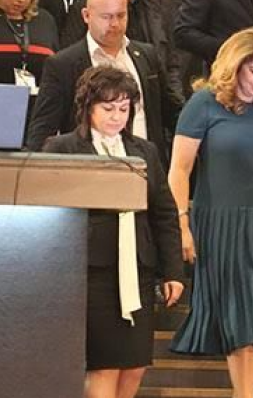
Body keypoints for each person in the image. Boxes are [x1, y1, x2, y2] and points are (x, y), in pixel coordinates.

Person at [168, 27, 253, 398]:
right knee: (245, 319)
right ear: (234, 66)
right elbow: (179, 168)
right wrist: (181, 223)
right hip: (223, 224)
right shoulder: (204, 103)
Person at [42, 65, 184, 398]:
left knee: (135, 365)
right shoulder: (63, 148)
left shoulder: (145, 150)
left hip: (138, 269)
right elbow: (49, 212)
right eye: (108, 108)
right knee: (104, 365)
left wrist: (173, 271)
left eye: (123, 109)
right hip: (92, 272)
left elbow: (164, 214)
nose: (117, 117)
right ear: (87, 107)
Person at [26, 0, 182, 167]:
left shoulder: (147, 56)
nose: (115, 24)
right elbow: (42, 130)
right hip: (86, 171)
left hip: (146, 168)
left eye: (121, 15)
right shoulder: (63, 65)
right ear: (86, 15)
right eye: (106, 17)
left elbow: (171, 112)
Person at [100, 0, 181, 99]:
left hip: (153, 99)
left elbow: (170, 62)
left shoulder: (154, 7)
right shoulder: (92, 8)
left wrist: (177, 100)